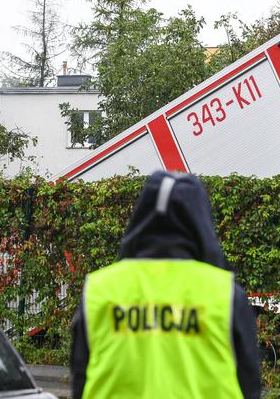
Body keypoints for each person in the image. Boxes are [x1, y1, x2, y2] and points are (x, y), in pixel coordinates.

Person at [71, 171, 260, 399]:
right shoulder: (225, 294)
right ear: (200, 224)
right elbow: (249, 383)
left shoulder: (98, 289)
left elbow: (80, 378)